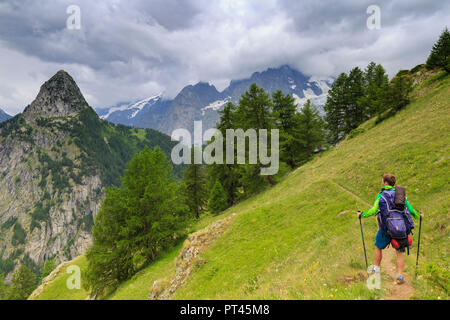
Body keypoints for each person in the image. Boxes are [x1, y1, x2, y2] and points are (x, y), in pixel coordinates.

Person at [357, 174, 424, 285]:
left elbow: (374, 210)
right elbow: (410, 210)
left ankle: (376, 270)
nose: (381, 183)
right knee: (400, 252)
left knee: (378, 247)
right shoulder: (401, 194)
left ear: (385, 183)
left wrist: (362, 215)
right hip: (401, 229)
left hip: (386, 228)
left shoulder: (381, 195)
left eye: (382, 181)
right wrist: (419, 216)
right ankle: (399, 276)